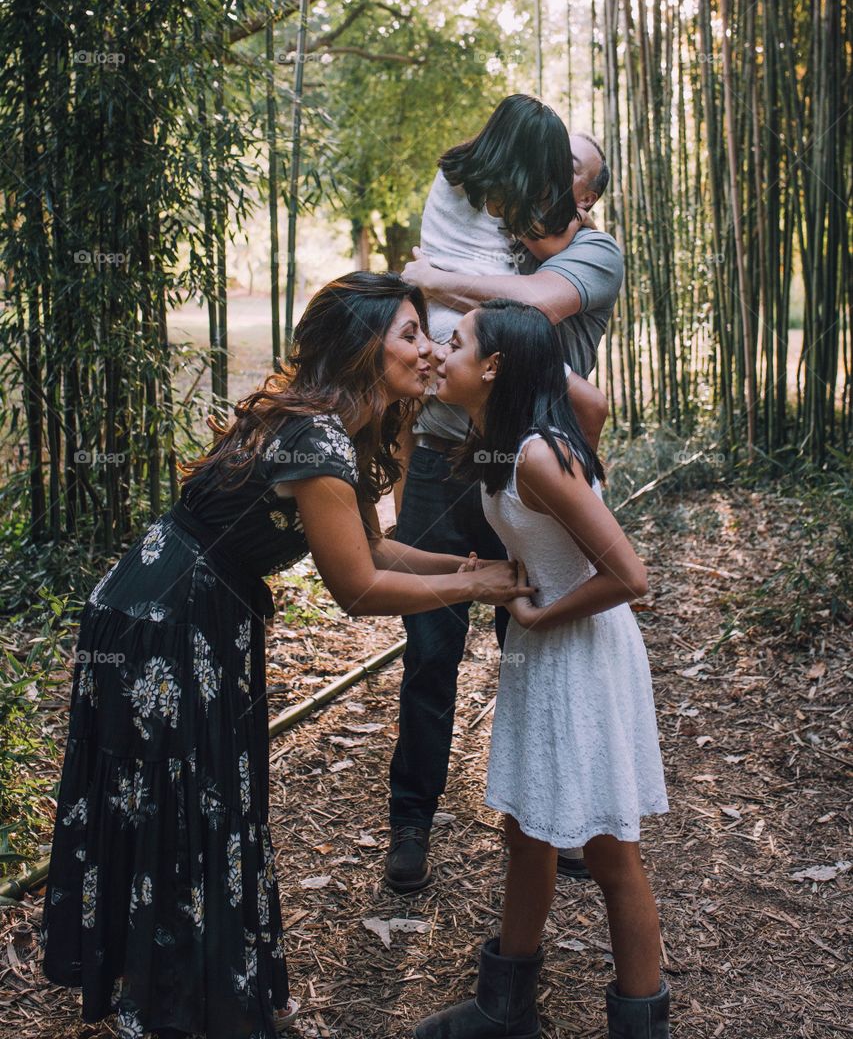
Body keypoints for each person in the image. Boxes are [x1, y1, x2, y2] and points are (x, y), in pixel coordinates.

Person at [39, 272, 532, 1039]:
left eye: (426, 334)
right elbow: (360, 589)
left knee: (196, 802)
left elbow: (374, 543)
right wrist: (481, 583)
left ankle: (192, 989)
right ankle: (181, 1004)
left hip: (175, 606)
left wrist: (473, 574)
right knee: (186, 804)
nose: (428, 349)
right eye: (409, 334)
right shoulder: (316, 436)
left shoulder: (329, 421)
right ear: (362, 347)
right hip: (166, 620)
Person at [415, 299, 670, 1039]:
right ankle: (505, 1006)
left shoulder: (534, 453)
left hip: (578, 653)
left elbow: (628, 575)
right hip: (547, 651)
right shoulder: (501, 438)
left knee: (607, 849)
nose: (440, 351)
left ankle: (640, 1026)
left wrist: (532, 613)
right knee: (525, 828)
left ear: (492, 367)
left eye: (453, 342)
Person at [385, 97, 622, 893]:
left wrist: (438, 277)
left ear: (580, 197)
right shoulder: (494, 225)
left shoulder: (592, 256)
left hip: (525, 471)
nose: (541, 190)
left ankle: (557, 820)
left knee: (533, 646)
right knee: (429, 646)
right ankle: (410, 822)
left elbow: (531, 312)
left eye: (563, 177)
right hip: (445, 458)